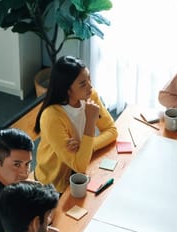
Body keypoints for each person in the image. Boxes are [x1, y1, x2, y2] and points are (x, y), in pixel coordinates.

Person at [34, 55, 117, 193]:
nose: (90, 87)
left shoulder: (90, 96)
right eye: (83, 83)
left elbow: (112, 130)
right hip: (54, 185)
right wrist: (90, 121)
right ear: (67, 89)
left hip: (79, 169)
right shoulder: (52, 117)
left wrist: (85, 145)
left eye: (89, 79)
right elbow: (80, 166)